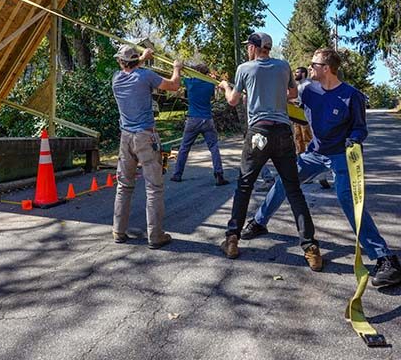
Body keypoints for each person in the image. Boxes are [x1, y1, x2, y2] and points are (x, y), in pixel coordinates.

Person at [240, 48, 401, 287]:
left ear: (326, 68)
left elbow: (360, 128)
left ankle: (386, 259)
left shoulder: (351, 96)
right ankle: (259, 221)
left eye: (314, 64)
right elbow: (286, 100)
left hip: (341, 155)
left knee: (348, 199)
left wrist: (354, 139)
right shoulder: (307, 89)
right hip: (315, 153)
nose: (309, 67)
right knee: (284, 181)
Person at [217, 32, 322, 271]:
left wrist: (225, 86)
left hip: (258, 133)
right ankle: (311, 248)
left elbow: (233, 100)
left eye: (248, 47)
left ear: (255, 48)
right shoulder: (284, 66)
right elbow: (292, 94)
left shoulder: (244, 68)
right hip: (283, 132)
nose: (247, 51)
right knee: (293, 189)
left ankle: (232, 239)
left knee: (245, 185)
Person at [112, 45, 182, 249]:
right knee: (154, 187)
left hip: (125, 138)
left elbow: (131, 67)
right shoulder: (145, 76)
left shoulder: (116, 79)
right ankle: (155, 235)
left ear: (121, 62)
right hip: (146, 136)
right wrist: (177, 67)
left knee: (124, 185)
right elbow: (174, 85)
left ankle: (119, 230)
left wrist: (142, 57)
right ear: (137, 61)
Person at [170, 63, 229, 186]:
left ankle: (177, 174)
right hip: (207, 119)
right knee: (213, 147)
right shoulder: (210, 84)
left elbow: (177, 79)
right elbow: (212, 97)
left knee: (184, 148)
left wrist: (179, 67)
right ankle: (219, 174)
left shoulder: (190, 82)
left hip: (193, 119)